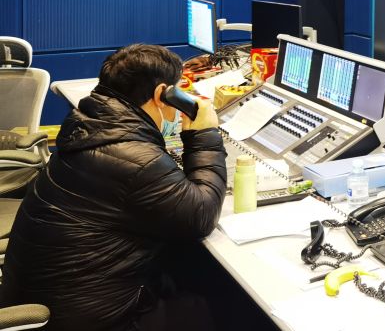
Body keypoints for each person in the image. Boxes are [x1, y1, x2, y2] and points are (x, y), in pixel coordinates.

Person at [0, 44, 227, 331]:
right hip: (88, 318)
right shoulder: (134, 158)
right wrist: (204, 135)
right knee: (220, 305)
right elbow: (201, 215)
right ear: (162, 94)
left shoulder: (90, 126)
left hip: (50, 296)